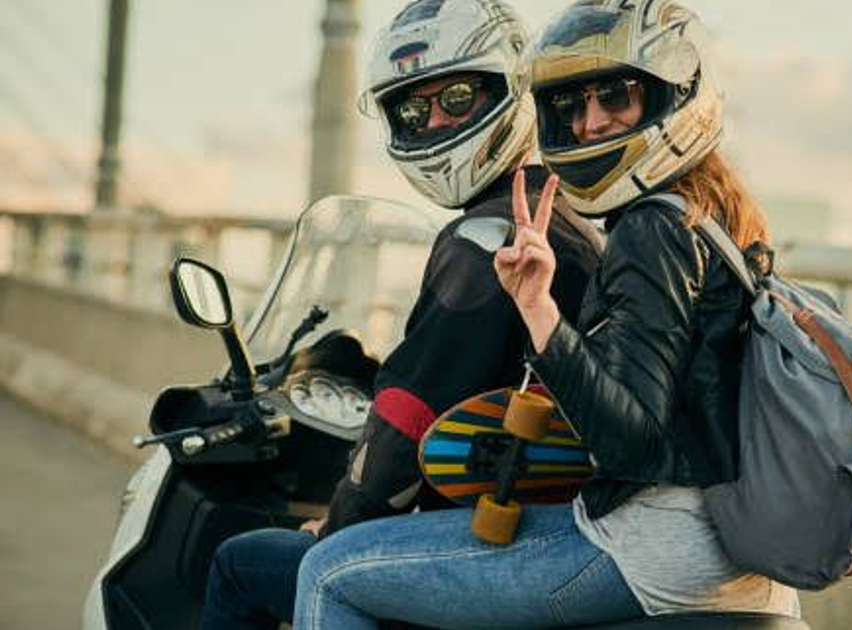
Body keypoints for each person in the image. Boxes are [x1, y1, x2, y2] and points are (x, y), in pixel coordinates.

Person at [291, 1, 801, 629]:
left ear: (673, 93)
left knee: (328, 573)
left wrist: (539, 313)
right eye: (572, 103)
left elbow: (630, 439)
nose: (590, 123)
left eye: (616, 95)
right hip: (728, 546)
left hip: (651, 549)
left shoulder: (651, 231)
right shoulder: (715, 218)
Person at [200, 1, 601, 628]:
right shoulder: (566, 220)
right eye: (414, 109)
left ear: (511, 87)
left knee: (239, 562)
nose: (437, 120)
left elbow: (406, 420)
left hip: (502, 537)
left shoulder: (485, 241)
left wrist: (340, 524)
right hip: (555, 522)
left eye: (459, 96)